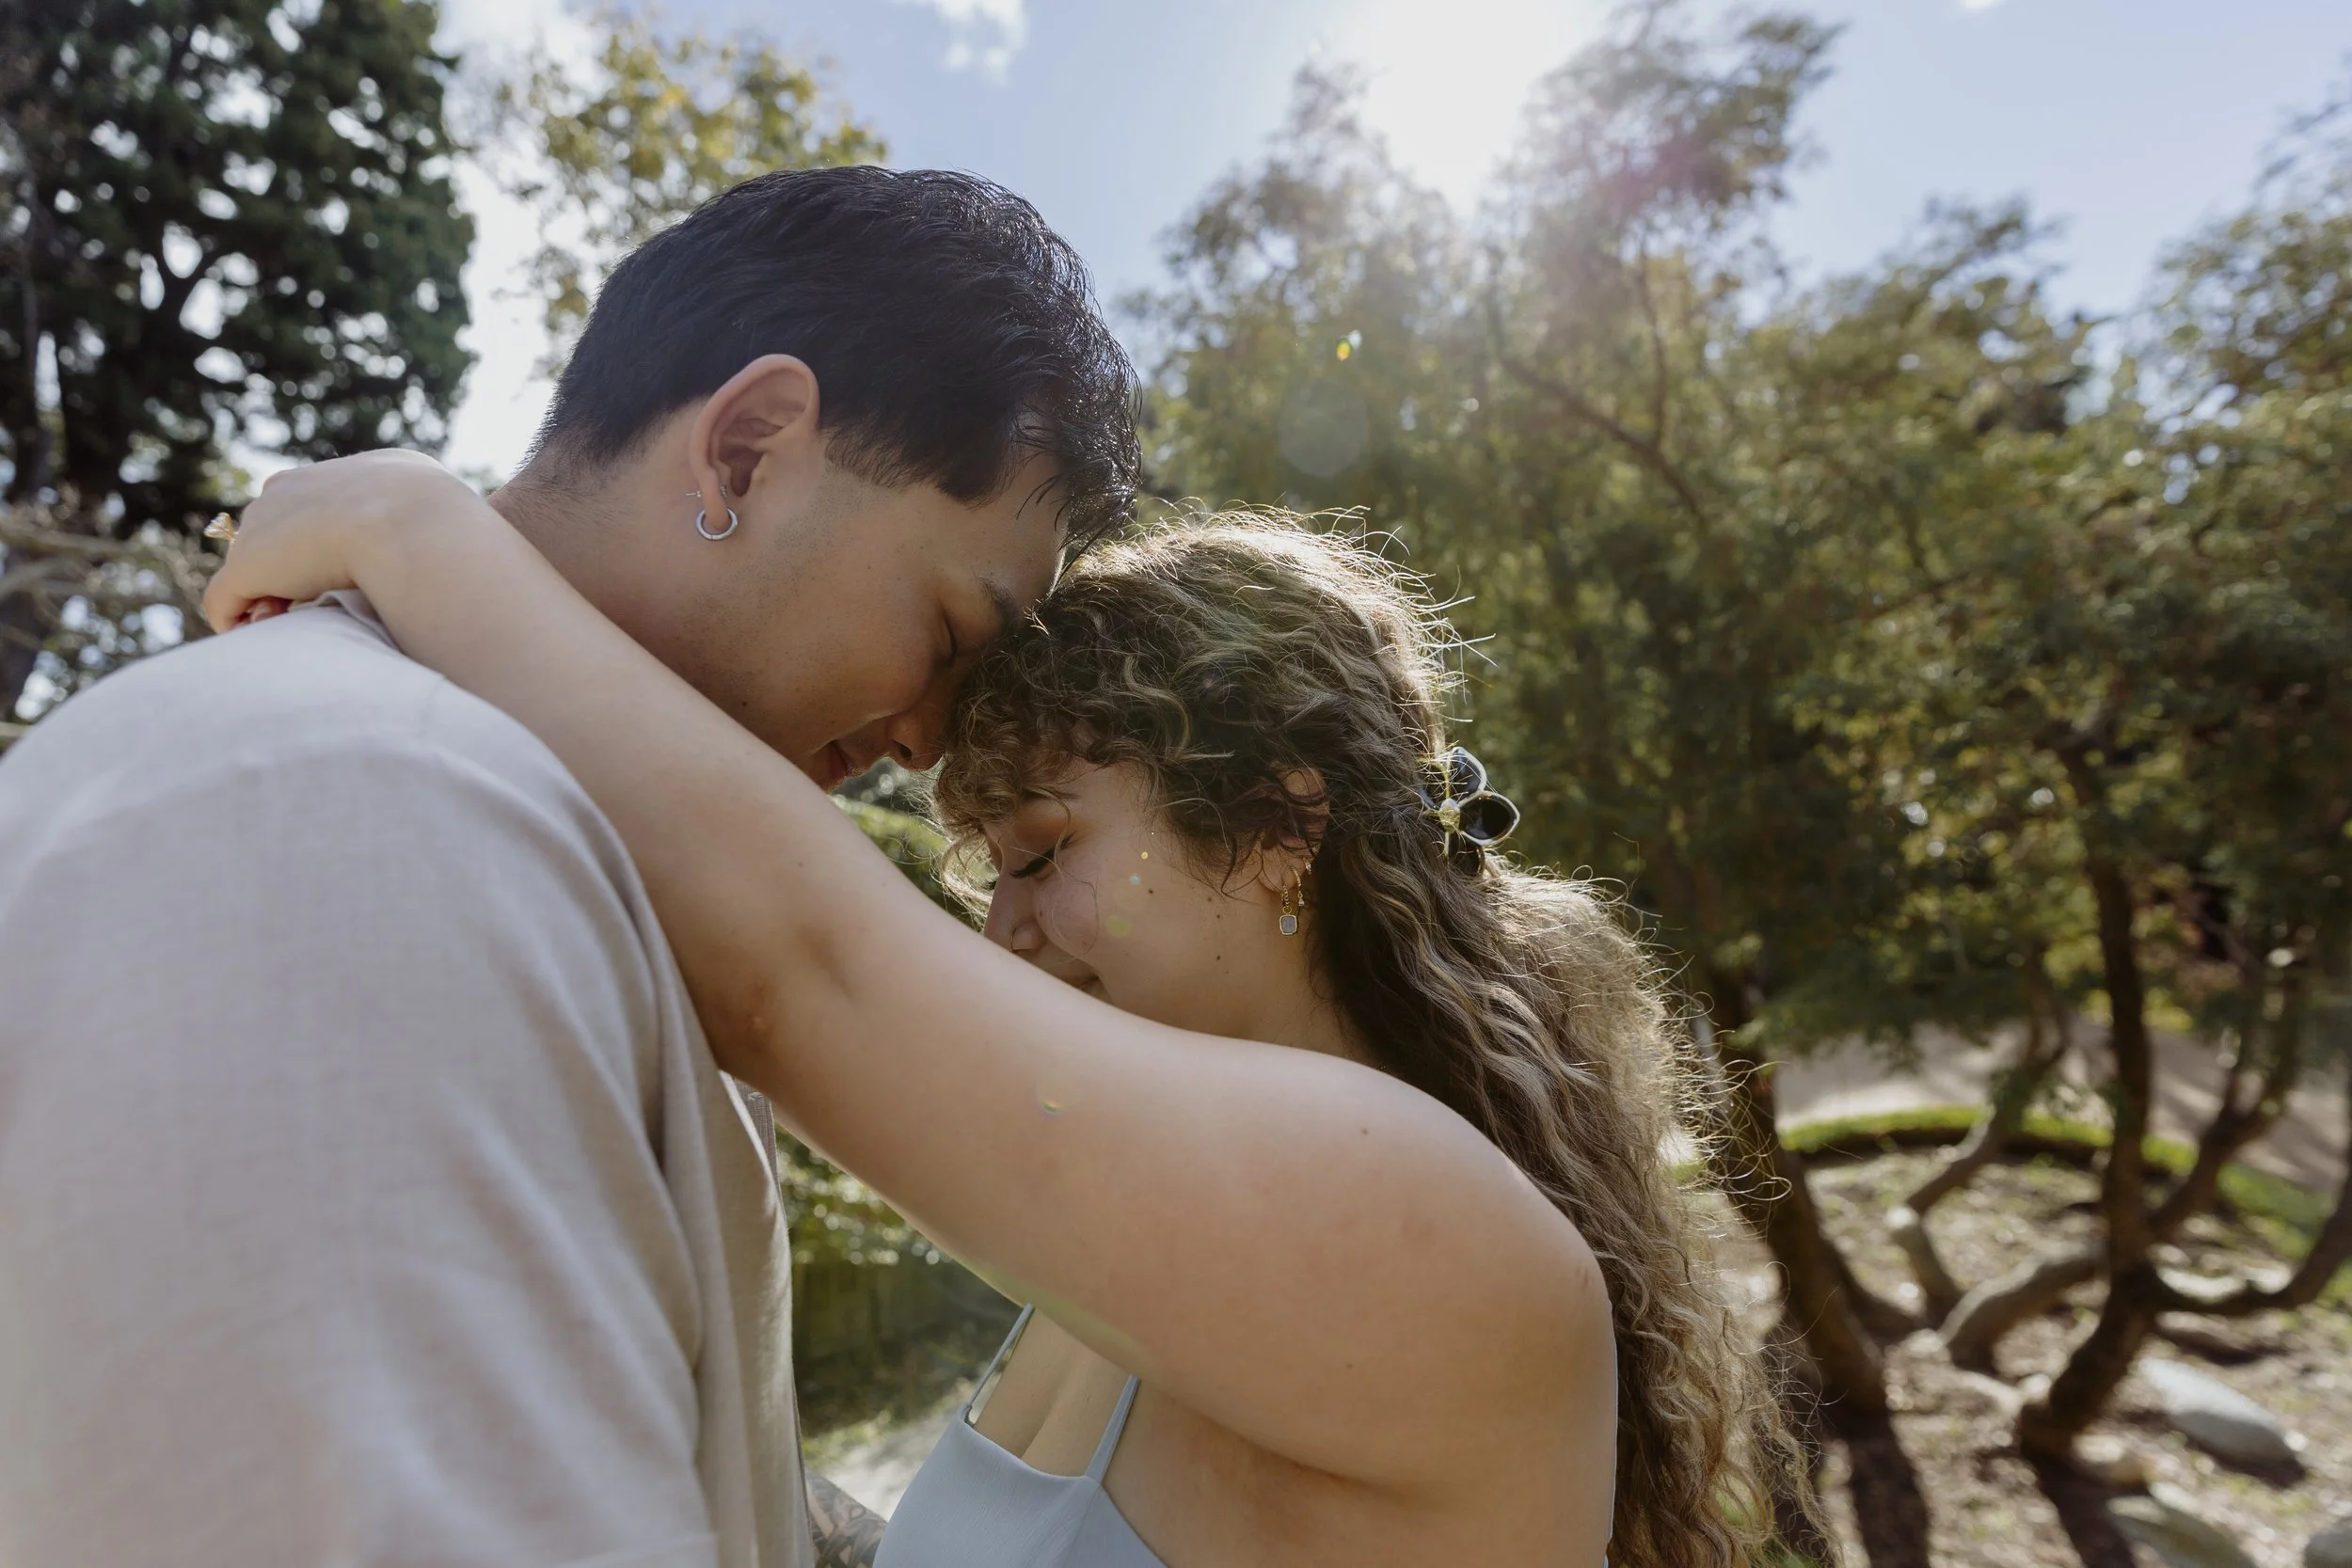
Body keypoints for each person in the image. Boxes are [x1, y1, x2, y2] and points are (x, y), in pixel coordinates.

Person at [205, 461, 1816, 1567]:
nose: (1003, 921)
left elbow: (797, 966)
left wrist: (416, 528)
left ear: (1279, 821)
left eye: (1046, 850)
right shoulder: (1164, 1234)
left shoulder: (1424, 1219)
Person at [0, 166, 1137, 1568]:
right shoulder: (381, 831)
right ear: (744, 451)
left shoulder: (514, 840)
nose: (922, 738)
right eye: (953, 636)